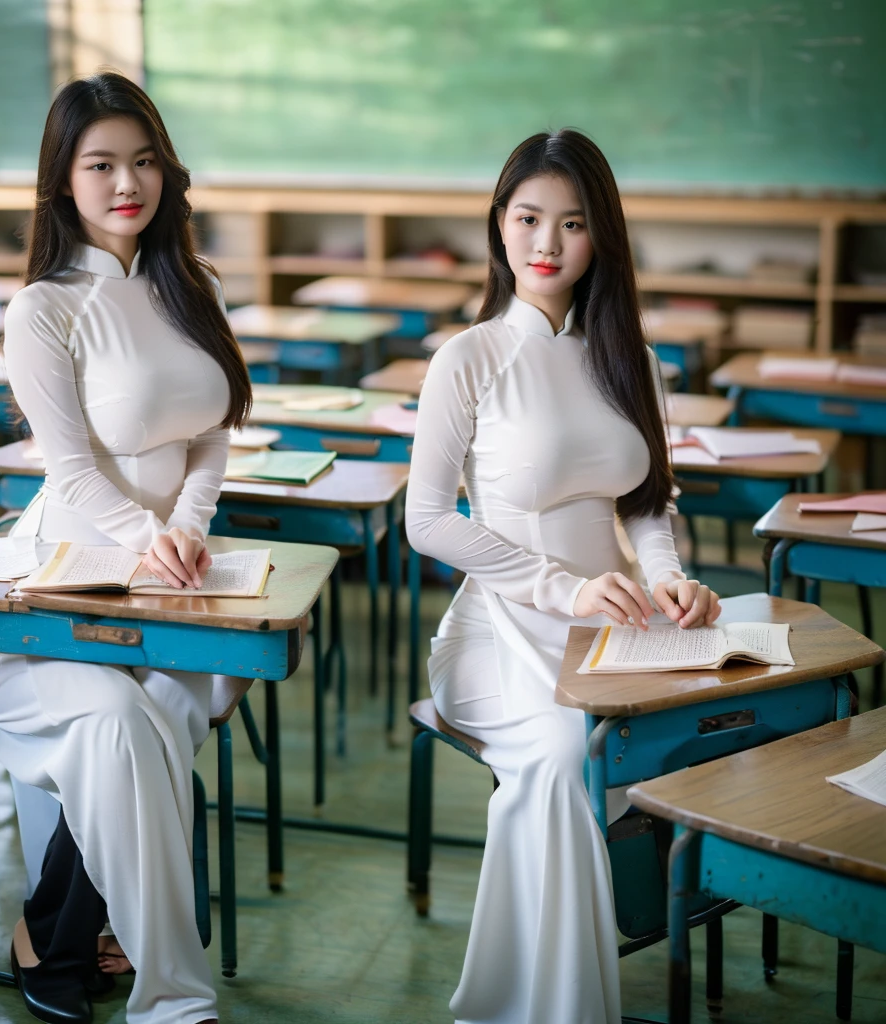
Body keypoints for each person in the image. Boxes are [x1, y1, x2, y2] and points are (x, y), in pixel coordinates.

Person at [405, 129, 720, 1024]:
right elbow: (424, 522)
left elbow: (646, 507)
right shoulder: (466, 359)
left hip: (615, 624)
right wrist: (561, 587)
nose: (547, 244)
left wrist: (669, 581)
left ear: (600, 238)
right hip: (499, 633)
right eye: (529, 218)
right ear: (499, 226)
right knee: (557, 756)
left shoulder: (634, 362)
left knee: (716, 722)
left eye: (573, 224)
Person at [0, 70, 252, 1024]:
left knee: (164, 713)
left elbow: (212, 433)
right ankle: (178, 1000)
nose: (128, 182)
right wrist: (149, 533)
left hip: (170, 576)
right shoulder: (42, 309)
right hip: (61, 581)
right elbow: (72, 467)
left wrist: (189, 528)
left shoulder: (187, 283)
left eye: (143, 161)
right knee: (128, 728)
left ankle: (52, 935)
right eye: (100, 165)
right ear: (63, 181)